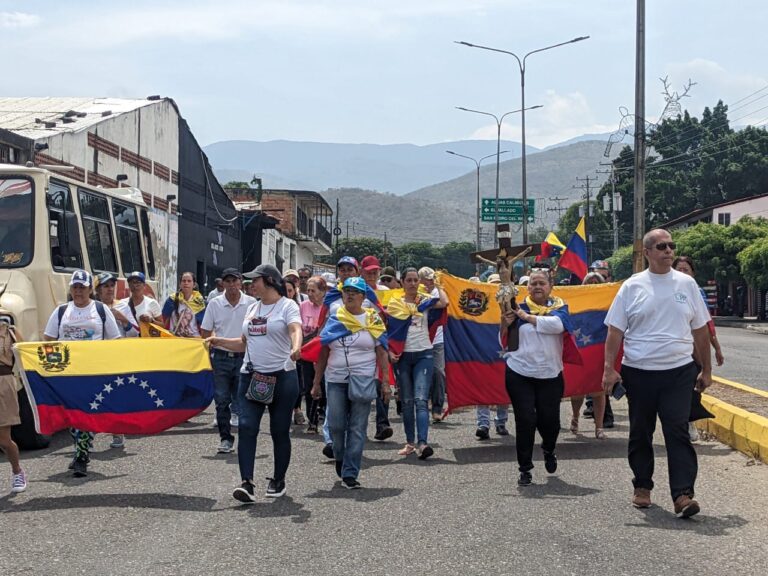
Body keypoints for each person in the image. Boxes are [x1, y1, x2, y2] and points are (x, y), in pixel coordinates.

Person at [602, 229, 712, 517]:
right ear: (647, 252)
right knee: (640, 431)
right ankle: (642, 486)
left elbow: (700, 330)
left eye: (671, 246)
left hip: (678, 372)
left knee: (677, 431)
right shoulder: (632, 286)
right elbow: (615, 331)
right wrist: (609, 370)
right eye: (661, 246)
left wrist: (707, 369)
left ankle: (683, 495)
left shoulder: (686, 285)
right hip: (639, 372)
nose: (668, 251)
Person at [208, 264, 302, 502]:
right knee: (247, 427)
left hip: (282, 376)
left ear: (269, 281)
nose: (251, 285)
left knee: (279, 431)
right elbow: (243, 343)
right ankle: (247, 483)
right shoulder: (252, 307)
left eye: (255, 280)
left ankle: (278, 478)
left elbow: (295, 329)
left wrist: (296, 347)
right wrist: (218, 341)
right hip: (253, 377)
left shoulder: (287, 306)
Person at [312, 277, 391, 488]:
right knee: (336, 425)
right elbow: (324, 350)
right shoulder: (335, 317)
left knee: (357, 428)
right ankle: (340, 456)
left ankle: (350, 472)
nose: (350, 294)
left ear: (363, 297)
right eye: (346, 290)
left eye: (355, 291)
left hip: (364, 378)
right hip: (336, 378)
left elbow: (382, 350)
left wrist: (385, 382)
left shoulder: (373, 319)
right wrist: (316, 382)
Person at [43, 270, 122, 477]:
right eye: (75, 287)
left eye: (82, 287)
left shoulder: (101, 310)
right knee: (72, 415)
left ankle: (81, 456)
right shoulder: (61, 311)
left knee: (85, 413)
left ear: (90, 290)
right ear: (70, 289)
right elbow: (48, 340)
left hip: (92, 373)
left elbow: (115, 341)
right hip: (67, 373)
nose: (78, 291)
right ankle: (81, 449)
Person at [500, 269, 570, 486]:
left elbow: (557, 326)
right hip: (520, 371)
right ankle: (525, 468)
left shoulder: (560, 307)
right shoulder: (516, 308)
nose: (537, 286)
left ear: (550, 287)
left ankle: (549, 449)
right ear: (527, 287)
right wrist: (505, 322)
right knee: (525, 420)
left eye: (542, 283)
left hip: (550, 374)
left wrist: (526, 317)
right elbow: (504, 338)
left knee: (550, 422)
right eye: (533, 283)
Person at [389, 267, 448, 459]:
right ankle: (410, 443)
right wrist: (390, 351)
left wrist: (437, 283)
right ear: (403, 283)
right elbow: (388, 329)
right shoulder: (394, 303)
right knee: (406, 402)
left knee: (420, 400)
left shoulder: (425, 300)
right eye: (409, 280)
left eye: (416, 280)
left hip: (424, 353)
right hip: (403, 356)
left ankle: (423, 443)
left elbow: (445, 302)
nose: (413, 283)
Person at [200, 268, 256, 454]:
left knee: (243, 400)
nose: (231, 285)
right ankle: (225, 438)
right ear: (222, 283)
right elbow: (206, 332)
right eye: (228, 281)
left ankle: (247, 439)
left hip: (244, 357)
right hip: (221, 358)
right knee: (222, 400)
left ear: (241, 282)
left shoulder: (251, 303)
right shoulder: (215, 304)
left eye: (235, 281)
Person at [672, 256, 725, 442]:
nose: (682, 273)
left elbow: (706, 325)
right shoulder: (664, 290)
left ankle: (689, 421)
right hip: (675, 352)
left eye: (686, 269)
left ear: (693, 273)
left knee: (692, 390)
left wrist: (716, 348)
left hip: (694, 353)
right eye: (679, 269)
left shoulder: (696, 292)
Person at [94, 272, 134, 449]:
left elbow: (134, 332)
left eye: (112, 285)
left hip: (117, 357)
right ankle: (88, 435)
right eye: (105, 286)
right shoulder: (92, 307)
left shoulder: (124, 306)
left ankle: (117, 432)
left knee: (115, 395)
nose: (110, 289)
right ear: (98, 290)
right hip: (95, 358)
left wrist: (121, 318)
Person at [569, 271, 609, 439]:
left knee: (599, 391)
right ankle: (575, 416)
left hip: (599, 350)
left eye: (596, 281)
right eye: (589, 281)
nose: (592, 284)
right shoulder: (575, 299)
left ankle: (599, 427)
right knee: (577, 390)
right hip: (580, 349)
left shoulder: (607, 300)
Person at [360, 255, 394, 442]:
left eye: (375, 272)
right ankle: (361, 426)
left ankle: (382, 423)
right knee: (366, 384)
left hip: (381, 342)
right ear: (362, 272)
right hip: (362, 343)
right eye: (369, 272)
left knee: (382, 382)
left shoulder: (385, 291)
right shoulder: (357, 291)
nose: (372, 275)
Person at [476, 272, 510, 438]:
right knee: (482, 388)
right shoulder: (481, 303)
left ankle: (501, 422)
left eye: (498, 284)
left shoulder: (510, 301)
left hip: (504, 352)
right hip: (483, 351)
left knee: (503, 388)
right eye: (492, 284)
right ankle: (483, 424)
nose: (496, 287)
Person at [418, 267, 448, 424]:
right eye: (426, 279)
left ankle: (437, 408)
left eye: (431, 278)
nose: (429, 281)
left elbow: (444, 302)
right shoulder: (417, 295)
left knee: (438, 372)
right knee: (421, 374)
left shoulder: (437, 292)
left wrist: (438, 286)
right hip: (419, 339)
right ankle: (420, 405)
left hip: (437, 338)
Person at [0, 321, 26, 492]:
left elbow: (26, 356)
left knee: (3, 439)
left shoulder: (10, 332)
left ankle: (18, 472)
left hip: (3, 383)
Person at [299, 276, 327, 433]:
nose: (309, 293)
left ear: (322, 292)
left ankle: (324, 414)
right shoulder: (303, 306)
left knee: (323, 385)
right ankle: (312, 421)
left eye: (313, 290)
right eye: (308, 290)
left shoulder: (328, 307)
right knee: (309, 385)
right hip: (307, 352)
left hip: (323, 352)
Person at [162, 271, 206, 338]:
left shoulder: (199, 302)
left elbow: (203, 325)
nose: (186, 283)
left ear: (194, 285)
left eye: (189, 281)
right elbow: (164, 320)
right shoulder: (171, 300)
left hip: (194, 341)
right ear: (180, 284)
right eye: (184, 281)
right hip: (175, 340)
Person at [120, 271, 163, 337]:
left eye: (138, 282)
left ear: (144, 285)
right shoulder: (122, 304)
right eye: (132, 283)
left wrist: (151, 320)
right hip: (129, 342)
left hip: (146, 343)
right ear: (129, 286)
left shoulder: (152, 303)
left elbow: (162, 326)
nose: (135, 285)